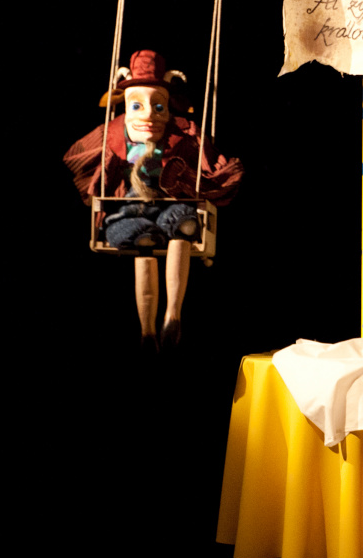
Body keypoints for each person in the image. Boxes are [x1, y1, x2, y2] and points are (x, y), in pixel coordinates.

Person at [63, 49, 244, 349]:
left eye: (158, 106)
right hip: (132, 206)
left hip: (169, 197)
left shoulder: (182, 133)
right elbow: (79, 156)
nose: (148, 114)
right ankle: (147, 330)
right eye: (137, 105)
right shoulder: (114, 133)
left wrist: (200, 176)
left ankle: (173, 314)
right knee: (141, 241)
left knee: (185, 227)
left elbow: (207, 160)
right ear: (125, 107)